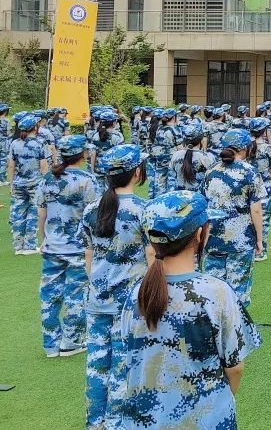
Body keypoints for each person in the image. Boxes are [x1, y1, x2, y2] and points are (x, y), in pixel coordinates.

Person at [111, 190, 260, 427]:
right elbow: (235, 367)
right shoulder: (217, 293)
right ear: (200, 234)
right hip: (205, 419)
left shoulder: (136, 293)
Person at [80, 144, 149, 430]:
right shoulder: (142, 210)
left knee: (97, 365)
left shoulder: (91, 210)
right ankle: (118, 423)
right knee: (124, 365)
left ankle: (96, 422)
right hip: (129, 303)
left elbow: (88, 256)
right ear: (136, 172)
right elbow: (152, 257)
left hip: (97, 296)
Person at [36, 134, 98, 357]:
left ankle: (50, 344)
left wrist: (43, 238)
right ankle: (71, 341)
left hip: (53, 246)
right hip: (78, 247)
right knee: (75, 294)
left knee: (49, 296)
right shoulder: (87, 180)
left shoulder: (47, 179)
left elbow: (41, 212)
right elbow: (93, 215)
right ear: (82, 154)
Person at [202, 129, 266, 307]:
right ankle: (236, 332)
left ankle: (215, 331)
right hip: (240, 240)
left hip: (212, 238)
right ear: (245, 148)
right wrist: (260, 239)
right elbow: (256, 210)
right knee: (238, 294)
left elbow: (203, 204)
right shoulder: (249, 172)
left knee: (213, 294)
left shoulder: (211, 171)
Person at [9, 114, 49, 253]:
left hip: (19, 182)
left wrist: (11, 183)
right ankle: (30, 245)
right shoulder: (40, 143)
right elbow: (44, 166)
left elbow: (11, 165)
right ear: (35, 127)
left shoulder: (14, 143)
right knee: (33, 213)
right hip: (36, 183)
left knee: (18, 214)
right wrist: (47, 182)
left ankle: (18, 246)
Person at [248, 117, 271, 261]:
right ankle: (261, 251)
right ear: (264, 131)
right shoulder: (267, 148)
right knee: (264, 220)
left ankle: (251, 249)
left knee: (249, 218)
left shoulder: (246, 146)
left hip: (248, 187)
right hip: (264, 188)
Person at [167, 122, 214, 193]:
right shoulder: (207, 157)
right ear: (201, 138)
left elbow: (171, 178)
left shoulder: (176, 155)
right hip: (199, 199)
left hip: (180, 197)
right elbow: (213, 181)